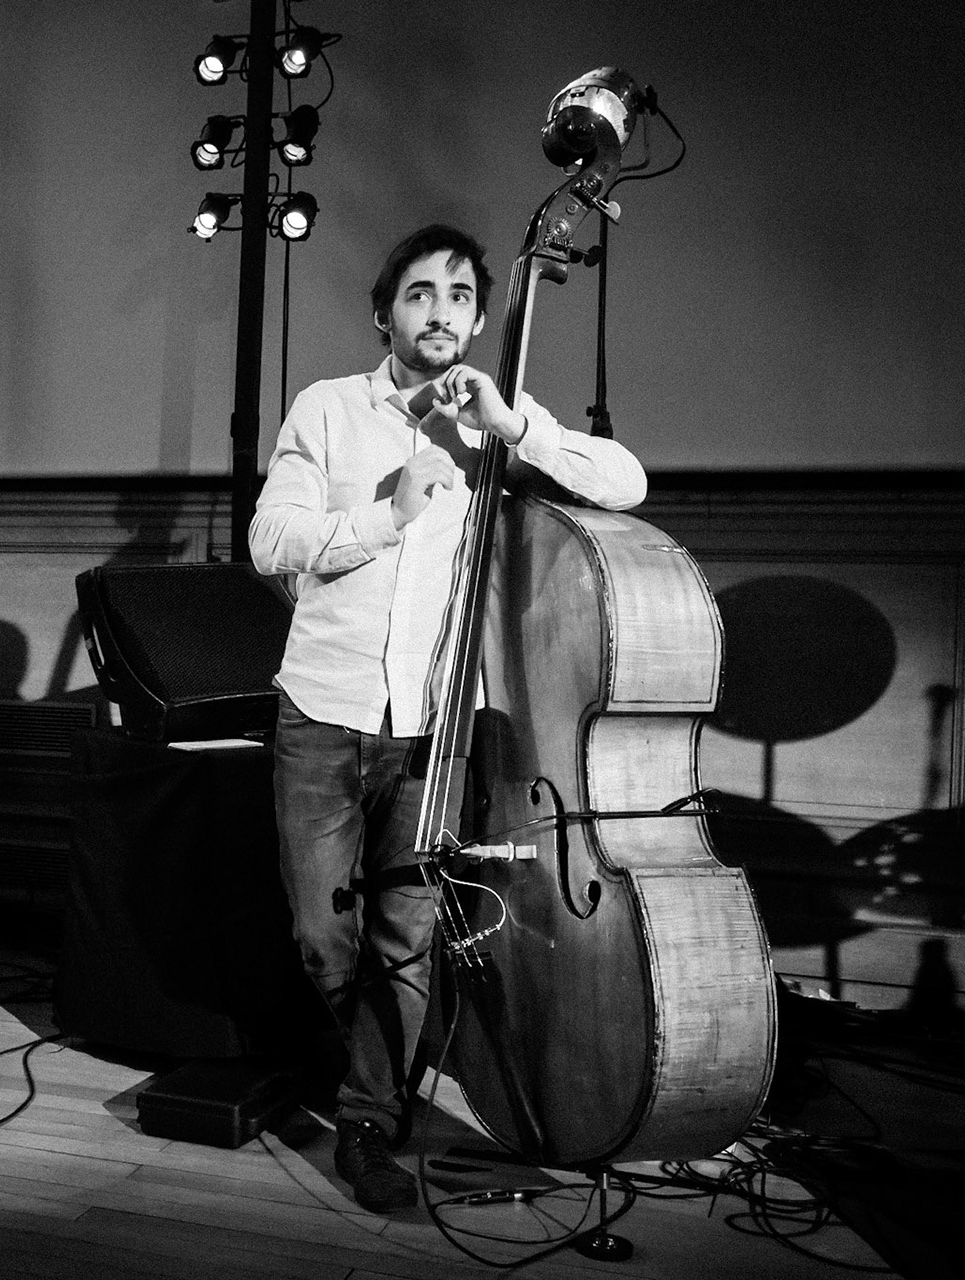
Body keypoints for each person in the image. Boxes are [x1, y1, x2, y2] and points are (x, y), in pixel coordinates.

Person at [248, 224, 647, 1213]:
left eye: (459, 295)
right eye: (419, 293)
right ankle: (374, 1065)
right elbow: (271, 540)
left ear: (478, 314)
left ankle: (369, 1118)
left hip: (438, 729)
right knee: (319, 939)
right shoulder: (331, 409)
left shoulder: (494, 421)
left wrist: (518, 429)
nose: (440, 311)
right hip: (324, 714)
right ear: (386, 310)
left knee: (406, 936)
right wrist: (389, 513)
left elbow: (628, 483)